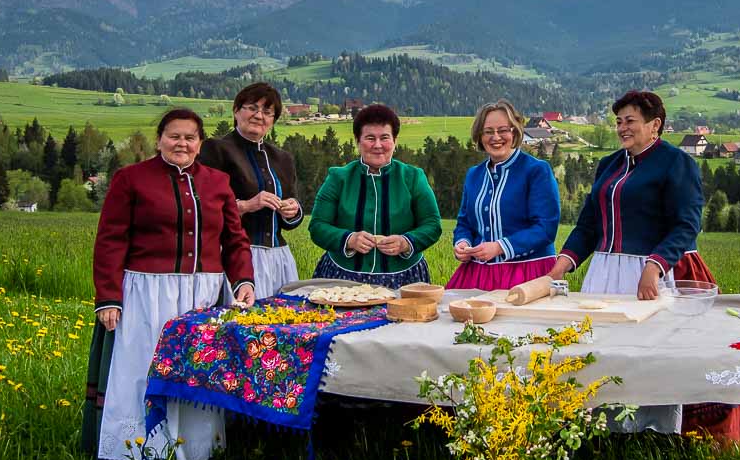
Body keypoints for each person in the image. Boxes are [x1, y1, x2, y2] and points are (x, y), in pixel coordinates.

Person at [547, 91, 740, 443]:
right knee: (605, 352)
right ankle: (608, 430)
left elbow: (687, 224)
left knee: (654, 357)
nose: (622, 128)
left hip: (657, 273)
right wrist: (561, 265)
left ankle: (656, 434)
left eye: (631, 121)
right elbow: (588, 226)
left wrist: (654, 266)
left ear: (655, 124)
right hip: (606, 276)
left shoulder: (676, 163)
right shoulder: (609, 164)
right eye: (619, 122)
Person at [84, 107, 254, 460]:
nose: (182, 143)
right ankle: (132, 458)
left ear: (200, 143)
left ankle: (194, 456)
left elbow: (235, 239)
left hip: (203, 296)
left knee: (197, 374)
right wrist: (108, 297)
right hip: (147, 293)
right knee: (141, 370)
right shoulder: (131, 179)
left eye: (190, 137)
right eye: (174, 136)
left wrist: (242, 282)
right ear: (160, 138)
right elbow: (111, 241)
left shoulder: (217, 182)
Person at [307, 103, 442, 287]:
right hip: (342, 277)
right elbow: (317, 226)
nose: (378, 145)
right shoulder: (338, 178)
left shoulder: (413, 177)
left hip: (405, 278)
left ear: (395, 140)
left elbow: (432, 224)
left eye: (384, 138)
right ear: (357, 140)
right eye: (370, 138)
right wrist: (349, 239)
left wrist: (405, 242)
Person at [200, 82, 304, 302]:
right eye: (252, 108)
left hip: (279, 258)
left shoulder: (283, 158)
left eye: (267, 112)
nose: (259, 116)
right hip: (236, 256)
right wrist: (247, 205)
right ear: (236, 111)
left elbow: (290, 222)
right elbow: (203, 208)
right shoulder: (216, 150)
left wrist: (292, 211)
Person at [446, 99, 561, 291]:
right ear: (480, 136)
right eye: (488, 131)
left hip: (529, 272)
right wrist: (463, 243)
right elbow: (464, 222)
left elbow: (545, 228)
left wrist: (500, 247)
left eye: (503, 130)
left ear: (514, 132)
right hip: (478, 273)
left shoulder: (537, 170)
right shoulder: (474, 174)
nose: (495, 137)